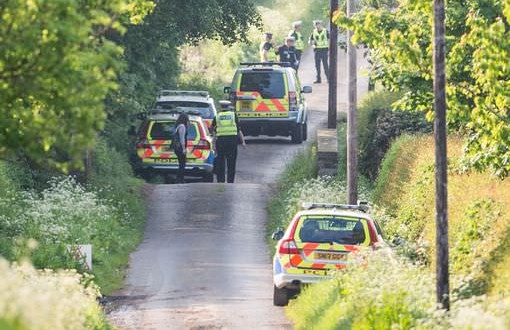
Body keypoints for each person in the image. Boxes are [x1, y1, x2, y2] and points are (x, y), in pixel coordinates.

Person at [213, 101, 246, 183]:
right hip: (232, 141)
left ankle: (220, 180)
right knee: (231, 161)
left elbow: (214, 131)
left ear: (221, 107)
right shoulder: (233, 115)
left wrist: (213, 143)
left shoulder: (217, 116)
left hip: (221, 141)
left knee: (220, 161)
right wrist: (243, 142)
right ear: (228, 107)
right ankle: (230, 181)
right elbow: (238, 130)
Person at [174, 113, 189, 183]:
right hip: (180, 147)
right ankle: (179, 179)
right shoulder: (182, 126)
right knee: (182, 164)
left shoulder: (178, 126)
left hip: (177, 148)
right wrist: (183, 149)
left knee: (181, 163)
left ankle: (180, 179)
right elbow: (182, 138)